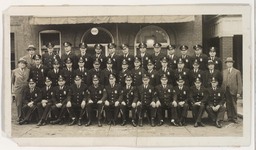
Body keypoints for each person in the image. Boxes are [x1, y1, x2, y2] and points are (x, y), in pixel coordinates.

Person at [222, 57, 242, 123]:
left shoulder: (237, 72)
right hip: (226, 90)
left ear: (232, 63)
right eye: (228, 63)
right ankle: (229, 117)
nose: (229, 64)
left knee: (233, 104)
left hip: (233, 90)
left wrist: (239, 92)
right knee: (228, 104)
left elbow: (239, 83)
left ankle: (235, 118)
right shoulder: (224, 72)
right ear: (226, 64)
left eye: (230, 62)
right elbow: (223, 82)